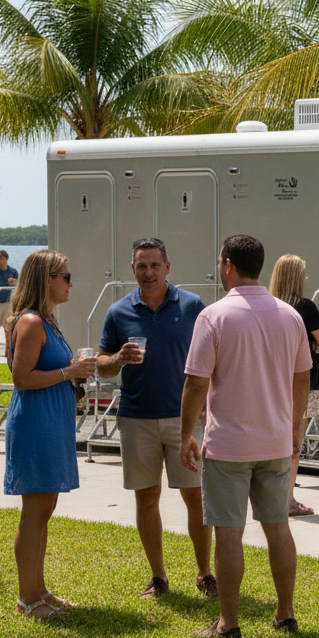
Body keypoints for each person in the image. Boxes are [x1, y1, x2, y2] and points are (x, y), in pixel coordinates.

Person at [180, 234, 311, 638]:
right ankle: (285, 614)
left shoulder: (214, 316)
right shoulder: (290, 316)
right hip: (275, 442)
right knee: (278, 528)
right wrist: (294, 425)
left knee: (229, 534)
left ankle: (229, 623)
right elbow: (302, 377)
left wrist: (187, 432)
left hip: (230, 446)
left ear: (228, 265)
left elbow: (196, 384)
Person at [96, 238, 215, 600]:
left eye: (154, 265)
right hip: (137, 419)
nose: (148, 272)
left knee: (195, 498)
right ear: (132, 269)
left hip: (186, 421)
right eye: (141, 266)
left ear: (168, 266)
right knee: (146, 498)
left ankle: (205, 573)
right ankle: (158, 576)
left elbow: (214, 360)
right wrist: (116, 359)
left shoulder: (194, 307)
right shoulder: (118, 312)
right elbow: (101, 365)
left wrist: (209, 412)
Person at [3, 250, 97, 617]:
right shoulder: (30, 322)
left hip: (51, 421)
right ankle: (28, 598)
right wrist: (69, 372)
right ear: (46, 280)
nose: (71, 283)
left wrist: (73, 372)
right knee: (34, 511)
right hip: (35, 423)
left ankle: (39, 590)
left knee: (45, 509)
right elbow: (21, 379)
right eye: (66, 277)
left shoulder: (47, 320)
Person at [268, 254, 319, 518]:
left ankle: (273, 495)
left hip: (273, 381)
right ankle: (288, 501)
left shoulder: (269, 305)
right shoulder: (304, 306)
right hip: (303, 382)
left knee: (275, 441)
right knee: (294, 442)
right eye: (303, 274)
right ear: (297, 277)